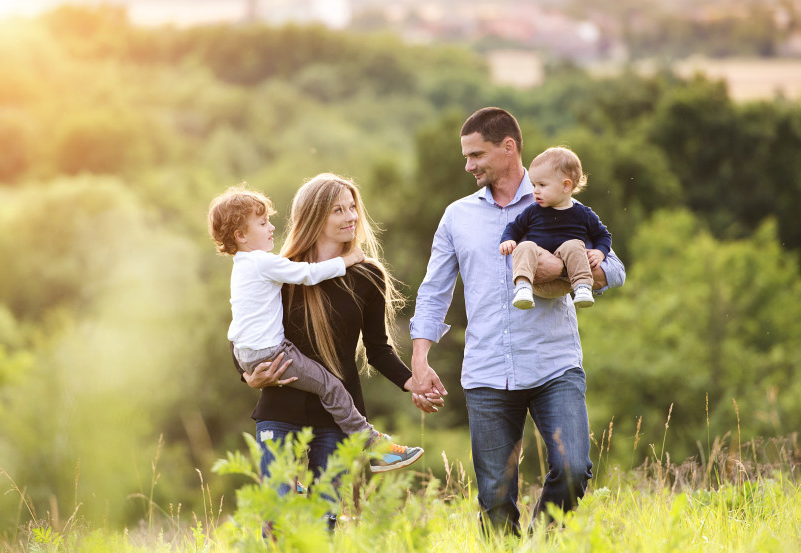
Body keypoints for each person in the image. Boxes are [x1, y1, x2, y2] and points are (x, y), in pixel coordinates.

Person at [407, 107, 626, 535]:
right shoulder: (457, 216)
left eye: (476, 154)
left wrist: (564, 272)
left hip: (554, 364)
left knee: (573, 469)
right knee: (494, 497)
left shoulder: (564, 203)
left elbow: (615, 269)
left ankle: (538, 545)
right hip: (487, 370)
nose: (468, 165)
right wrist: (420, 359)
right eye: (466, 156)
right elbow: (434, 290)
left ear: (509, 148)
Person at [208, 185, 423, 473]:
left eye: (352, 207)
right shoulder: (282, 270)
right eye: (338, 209)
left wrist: (412, 382)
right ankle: (372, 443)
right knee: (279, 512)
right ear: (315, 217)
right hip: (280, 412)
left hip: (335, 420)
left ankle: (373, 445)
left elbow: (378, 349)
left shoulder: (367, 275)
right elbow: (244, 329)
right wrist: (248, 377)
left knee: (325, 517)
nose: (351, 216)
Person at [499, 146, 612, 310]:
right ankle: (522, 287)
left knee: (574, 245)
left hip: (568, 283)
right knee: (525, 246)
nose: (535, 191)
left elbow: (603, 235)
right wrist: (507, 240)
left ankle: (583, 288)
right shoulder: (533, 211)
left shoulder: (583, 214)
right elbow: (514, 227)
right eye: (533, 185)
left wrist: (600, 252)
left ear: (566, 186)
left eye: (542, 185)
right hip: (537, 278)